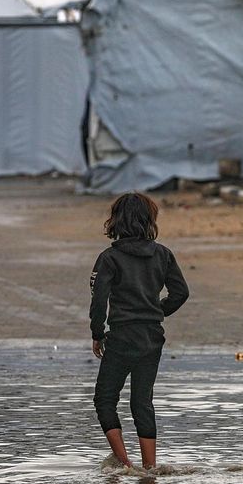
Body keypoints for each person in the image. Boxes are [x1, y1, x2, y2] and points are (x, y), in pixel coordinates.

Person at [90, 192, 189, 469]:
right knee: (142, 402)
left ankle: (125, 465)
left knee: (104, 399)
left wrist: (97, 333)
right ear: (149, 220)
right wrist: (156, 311)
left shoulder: (109, 258)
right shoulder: (163, 254)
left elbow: (98, 300)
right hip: (152, 336)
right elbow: (181, 293)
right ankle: (149, 469)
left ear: (116, 221)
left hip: (121, 336)